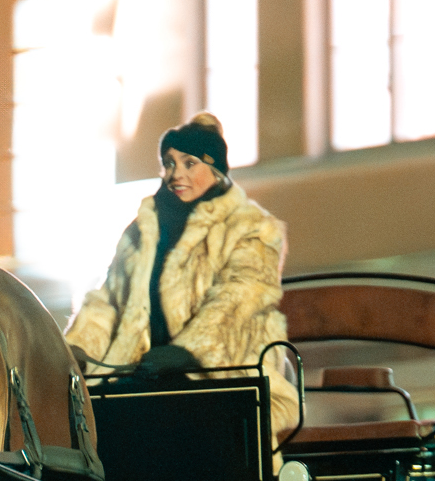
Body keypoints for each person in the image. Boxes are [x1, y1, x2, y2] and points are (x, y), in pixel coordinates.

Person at [64, 114, 298, 428]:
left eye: (189, 164)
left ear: (214, 169)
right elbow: (108, 301)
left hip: (224, 376)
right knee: (93, 418)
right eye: (169, 163)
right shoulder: (142, 231)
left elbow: (237, 299)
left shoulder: (253, 228)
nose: (176, 174)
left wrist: (186, 352)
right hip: (143, 377)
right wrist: (79, 346)